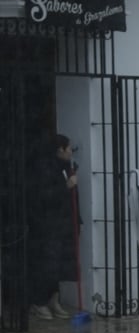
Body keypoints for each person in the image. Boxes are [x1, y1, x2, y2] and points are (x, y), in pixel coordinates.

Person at [27, 134, 79, 321]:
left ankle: (53, 300)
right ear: (59, 150)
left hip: (63, 224)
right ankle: (39, 302)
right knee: (47, 265)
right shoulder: (43, 169)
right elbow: (43, 197)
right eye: (68, 148)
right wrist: (66, 186)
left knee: (60, 265)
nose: (71, 151)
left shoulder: (67, 168)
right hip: (48, 225)